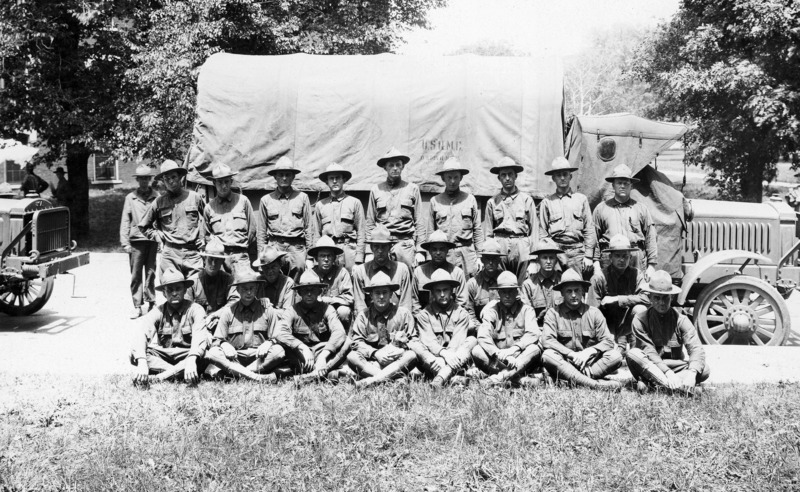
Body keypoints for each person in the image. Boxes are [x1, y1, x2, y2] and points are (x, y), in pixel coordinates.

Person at [626, 270, 710, 395]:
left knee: (704, 369)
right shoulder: (640, 320)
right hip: (651, 365)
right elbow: (648, 351)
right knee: (633, 354)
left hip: (675, 366)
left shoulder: (681, 320)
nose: (662, 302)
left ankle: (655, 386)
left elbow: (696, 348)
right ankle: (677, 387)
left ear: (672, 297)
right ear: (650, 298)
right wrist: (668, 373)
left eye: (665, 297)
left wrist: (692, 373)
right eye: (657, 298)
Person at [541, 269, 623, 390]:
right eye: (569, 291)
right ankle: (595, 385)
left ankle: (570, 381)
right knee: (548, 355)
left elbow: (608, 341)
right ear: (562, 293)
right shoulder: (553, 313)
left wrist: (588, 352)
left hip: (589, 364)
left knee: (616, 356)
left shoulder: (594, 313)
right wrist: (571, 354)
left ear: (583, 292)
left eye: (577, 290)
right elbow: (547, 340)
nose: (573, 295)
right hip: (565, 363)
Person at [130, 268, 208, 385]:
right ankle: (179, 372)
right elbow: (143, 334)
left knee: (205, 355)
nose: (174, 293)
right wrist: (141, 362)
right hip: (165, 356)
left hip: (187, 354)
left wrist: (192, 359)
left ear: (185, 290)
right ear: (164, 293)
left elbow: (199, 336)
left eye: (178, 289)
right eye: (170, 290)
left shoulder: (195, 309)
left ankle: (161, 377)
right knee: (135, 354)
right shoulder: (158, 311)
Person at [205, 271, 284, 382]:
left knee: (279, 351)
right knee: (213, 353)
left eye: (252, 288)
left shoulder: (267, 309)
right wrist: (224, 344)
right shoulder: (228, 311)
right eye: (244, 289)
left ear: (256, 289)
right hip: (235, 358)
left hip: (259, 359)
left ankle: (237, 374)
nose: (248, 292)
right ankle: (257, 378)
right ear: (237, 290)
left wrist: (269, 342)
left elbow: (278, 337)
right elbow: (217, 340)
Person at [471, 271, 543, 386]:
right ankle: (517, 379)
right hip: (498, 361)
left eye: (510, 291)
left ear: (517, 292)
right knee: (476, 350)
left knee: (534, 349)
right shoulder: (492, 311)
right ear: (498, 293)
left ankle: (497, 379)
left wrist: (514, 349)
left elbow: (533, 333)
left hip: (521, 359)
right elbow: (483, 335)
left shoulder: (526, 310)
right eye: (503, 292)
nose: (507, 295)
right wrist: (497, 353)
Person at [347, 271, 418, 387]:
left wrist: (398, 350)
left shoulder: (403, 314)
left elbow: (413, 341)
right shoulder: (363, 316)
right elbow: (357, 343)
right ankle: (392, 379)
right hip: (373, 363)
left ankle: (371, 381)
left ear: (391, 294)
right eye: (377, 293)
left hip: (397, 362)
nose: (381, 297)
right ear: (371, 295)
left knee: (411, 355)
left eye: (385, 293)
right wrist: (376, 353)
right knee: (352, 357)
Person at [277, 270, 350, 382]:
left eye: (313, 290)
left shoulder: (327, 309)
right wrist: (302, 347)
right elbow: (281, 332)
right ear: (299, 293)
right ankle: (326, 373)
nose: (309, 294)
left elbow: (339, 332)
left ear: (319, 292)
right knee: (281, 348)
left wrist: (324, 355)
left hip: (322, 350)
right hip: (301, 355)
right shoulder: (292, 310)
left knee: (348, 342)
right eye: (305, 290)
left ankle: (309, 375)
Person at [408, 269, 476, 387]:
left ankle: (440, 377)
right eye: (438, 291)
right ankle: (452, 377)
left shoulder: (462, 313)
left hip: (454, 357)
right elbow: (429, 342)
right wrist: (442, 355)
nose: (442, 294)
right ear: (432, 293)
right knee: (415, 343)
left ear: (451, 291)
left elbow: (457, 343)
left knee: (471, 340)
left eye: (445, 290)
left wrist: (447, 356)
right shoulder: (424, 315)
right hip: (434, 360)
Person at [139, 159, 206, 279]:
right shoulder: (159, 202)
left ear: (180, 176)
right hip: (170, 254)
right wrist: (157, 236)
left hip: (192, 253)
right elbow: (143, 226)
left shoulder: (194, 198)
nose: (171, 181)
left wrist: (204, 237)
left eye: (173, 177)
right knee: (171, 290)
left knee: (197, 289)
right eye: (166, 179)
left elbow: (209, 219)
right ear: (163, 181)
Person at [588, 234, 650, 357]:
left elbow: (647, 298)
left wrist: (618, 299)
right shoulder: (599, 278)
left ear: (630, 257)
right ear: (610, 257)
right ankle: (616, 345)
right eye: (617, 256)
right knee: (611, 356)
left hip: (627, 323)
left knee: (640, 309)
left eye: (625, 256)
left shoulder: (636, 274)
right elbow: (591, 311)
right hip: (606, 324)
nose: (621, 260)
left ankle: (636, 353)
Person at [592, 163, 657, 280]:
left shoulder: (641, 209)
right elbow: (594, 238)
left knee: (635, 294)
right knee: (609, 293)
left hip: (635, 258)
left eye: (626, 183)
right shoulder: (601, 209)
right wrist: (596, 263)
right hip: (609, 257)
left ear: (631, 186)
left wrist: (651, 266)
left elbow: (650, 237)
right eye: (619, 183)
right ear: (613, 185)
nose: (622, 186)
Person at [365, 147, 425, 270]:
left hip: (405, 245)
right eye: (391, 165)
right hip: (382, 245)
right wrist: (369, 252)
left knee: (407, 280)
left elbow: (419, 222)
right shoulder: (376, 190)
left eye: (398, 164)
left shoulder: (412, 189)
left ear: (403, 166)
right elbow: (370, 223)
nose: (395, 168)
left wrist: (420, 251)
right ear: (385, 168)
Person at [537, 156, 596, 278]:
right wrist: (557, 253)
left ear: (571, 176)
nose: (562, 178)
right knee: (556, 289)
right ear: (553, 178)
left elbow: (589, 230)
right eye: (558, 175)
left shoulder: (581, 200)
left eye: (565, 174)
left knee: (577, 288)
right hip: (555, 253)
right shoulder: (547, 202)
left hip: (577, 252)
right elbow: (543, 234)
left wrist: (589, 256)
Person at [483, 156, 538, 285]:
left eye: (510, 174)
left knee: (523, 284)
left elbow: (534, 231)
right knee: (503, 284)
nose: (507, 178)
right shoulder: (492, 202)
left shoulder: (526, 200)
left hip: (521, 246)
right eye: (503, 175)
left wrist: (534, 260)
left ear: (515, 176)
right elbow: (489, 233)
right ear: (499, 178)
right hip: (500, 247)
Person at [256, 156, 314, 278]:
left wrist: (310, 257)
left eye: (288, 174)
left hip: (297, 248)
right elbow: (261, 232)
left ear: (293, 177)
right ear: (275, 177)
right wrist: (261, 256)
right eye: (281, 174)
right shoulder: (266, 200)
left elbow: (309, 229)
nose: (284, 178)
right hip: (275, 247)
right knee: (275, 280)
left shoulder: (302, 198)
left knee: (299, 280)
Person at [426, 157, 484, 277]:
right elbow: (430, 232)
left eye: (456, 177)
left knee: (467, 291)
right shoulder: (435, 201)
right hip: (443, 254)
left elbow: (477, 230)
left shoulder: (470, 200)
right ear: (443, 178)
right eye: (449, 177)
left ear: (461, 177)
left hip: (466, 254)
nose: (452, 181)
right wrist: (429, 257)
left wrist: (480, 256)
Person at [120, 164, 159, 319]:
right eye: (141, 179)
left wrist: (160, 239)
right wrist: (125, 243)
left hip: (151, 240)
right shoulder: (130, 198)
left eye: (146, 178)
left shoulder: (157, 196)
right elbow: (125, 220)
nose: (144, 181)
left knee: (151, 273)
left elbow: (160, 219)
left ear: (150, 180)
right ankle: (137, 305)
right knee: (136, 274)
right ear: (137, 180)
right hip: (136, 241)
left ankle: (151, 302)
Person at [203, 163, 257, 275]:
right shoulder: (209, 207)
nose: (223, 186)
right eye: (220, 182)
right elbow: (206, 235)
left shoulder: (243, 201)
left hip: (240, 256)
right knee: (221, 290)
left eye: (226, 181)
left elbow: (252, 230)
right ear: (214, 183)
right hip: (219, 259)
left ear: (231, 181)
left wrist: (242, 248)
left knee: (243, 288)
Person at [313, 163, 365, 272]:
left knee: (352, 282)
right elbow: (316, 234)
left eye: (338, 178)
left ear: (344, 180)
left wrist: (359, 260)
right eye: (331, 178)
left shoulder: (354, 203)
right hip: (328, 252)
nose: (335, 181)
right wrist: (314, 260)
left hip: (349, 251)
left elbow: (361, 232)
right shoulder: (320, 205)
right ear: (327, 182)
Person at [351, 224, 414, 315]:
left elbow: (406, 304)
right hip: (370, 320)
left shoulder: (401, 270)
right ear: (371, 248)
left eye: (383, 246)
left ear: (389, 247)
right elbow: (360, 305)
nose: (380, 251)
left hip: (395, 319)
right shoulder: (361, 271)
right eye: (376, 246)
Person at [412, 230, 468, 317]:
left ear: (447, 251)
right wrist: (422, 319)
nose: (438, 253)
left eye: (442, 249)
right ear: (429, 251)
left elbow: (462, 303)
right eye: (434, 249)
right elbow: (414, 302)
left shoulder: (457, 273)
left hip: (452, 319)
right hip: (425, 320)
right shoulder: (419, 272)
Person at [185, 237, 238, 317]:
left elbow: (234, 302)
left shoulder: (229, 280)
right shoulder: (192, 282)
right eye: (210, 259)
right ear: (204, 259)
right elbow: (187, 309)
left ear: (222, 262)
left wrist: (216, 315)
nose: (213, 264)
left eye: (217, 260)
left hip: (222, 321)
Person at [307, 235, 354, 326]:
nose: (326, 259)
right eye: (322, 256)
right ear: (316, 259)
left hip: (336, 312)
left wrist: (327, 300)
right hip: (315, 312)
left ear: (334, 258)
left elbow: (349, 298)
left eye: (329, 256)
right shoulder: (309, 274)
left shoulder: (342, 273)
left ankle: (343, 336)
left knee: (344, 311)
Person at [465, 238, 506, 329]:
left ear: (499, 260)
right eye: (487, 259)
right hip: (480, 328)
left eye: (494, 259)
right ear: (482, 260)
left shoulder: (506, 280)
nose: (491, 263)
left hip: (503, 327)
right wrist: (481, 329)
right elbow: (470, 314)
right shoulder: (473, 284)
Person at [521, 238, 563, 322]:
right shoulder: (528, 285)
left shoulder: (563, 282)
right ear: (538, 261)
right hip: (537, 329)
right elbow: (525, 317)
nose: (548, 261)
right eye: (544, 258)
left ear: (556, 261)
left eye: (551, 258)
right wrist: (538, 318)